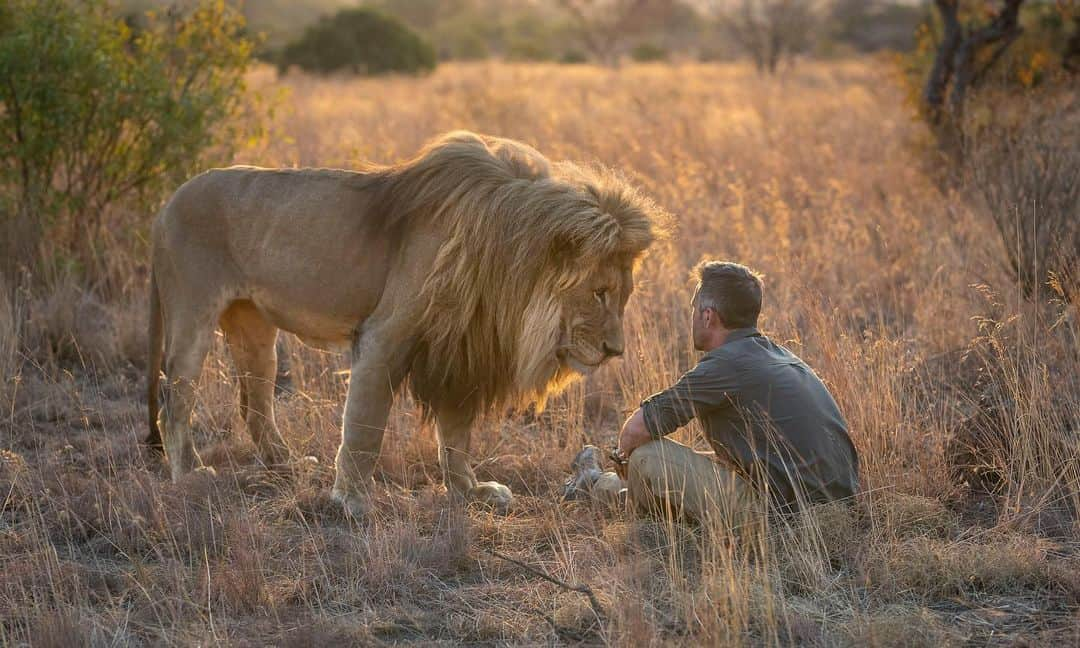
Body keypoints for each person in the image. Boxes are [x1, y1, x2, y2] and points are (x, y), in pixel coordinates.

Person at [563, 261, 859, 526]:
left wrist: (626, 463)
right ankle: (599, 484)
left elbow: (635, 431)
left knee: (647, 456)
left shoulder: (726, 365)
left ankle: (601, 488)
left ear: (708, 316)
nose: (690, 317)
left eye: (693, 309)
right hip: (831, 510)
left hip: (781, 518)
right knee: (702, 463)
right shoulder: (778, 355)